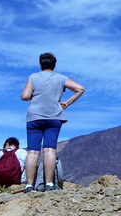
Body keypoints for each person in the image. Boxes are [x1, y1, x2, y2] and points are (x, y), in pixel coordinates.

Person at [21, 53, 85, 193]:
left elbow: (24, 96)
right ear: (54, 65)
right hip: (54, 117)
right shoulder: (61, 78)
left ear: (41, 64)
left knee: (32, 152)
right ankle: (49, 184)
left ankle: (29, 186)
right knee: (49, 150)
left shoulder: (33, 77)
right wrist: (67, 103)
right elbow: (80, 89)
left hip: (34, 117)